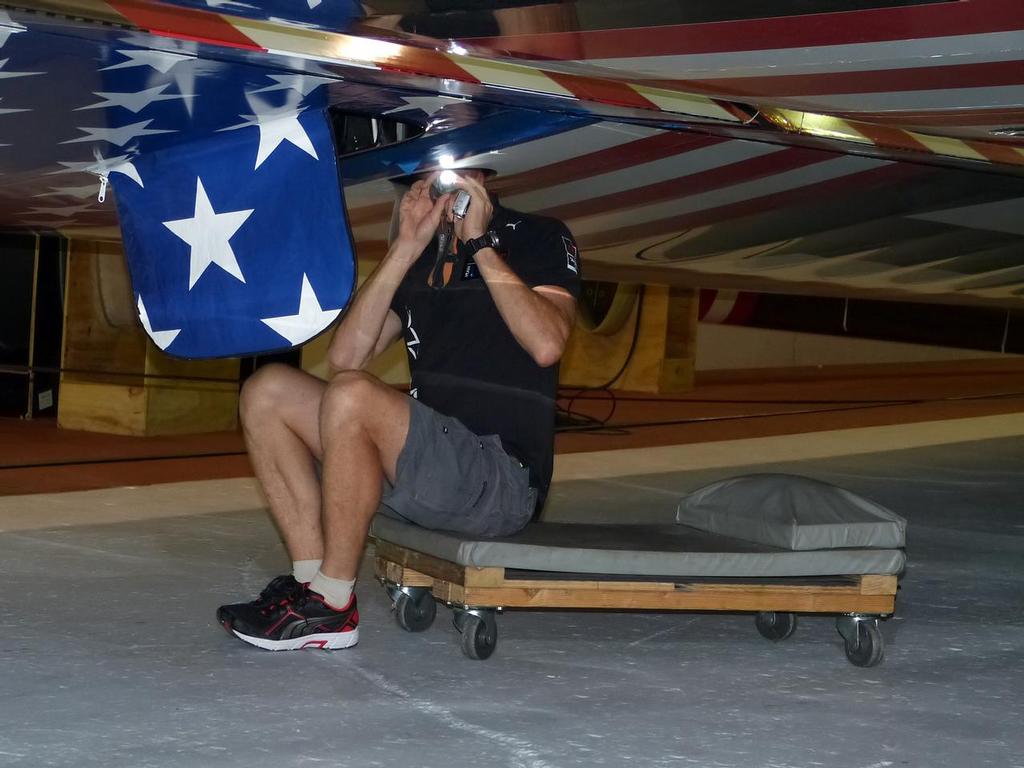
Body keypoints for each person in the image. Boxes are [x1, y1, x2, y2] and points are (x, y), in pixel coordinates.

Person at [216, 169, 580, 651]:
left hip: (499, 479)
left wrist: (481, 244)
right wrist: (405, 247)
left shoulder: (539, 236)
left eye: (457, 176)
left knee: (352, 395)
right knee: (267, 390)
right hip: (426, 467)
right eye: (431, 178)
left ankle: (333, 604)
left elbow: (547, 345)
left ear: (485, 180)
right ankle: (312, 584)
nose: (444, 189)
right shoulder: (422, 260)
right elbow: (345, 357)